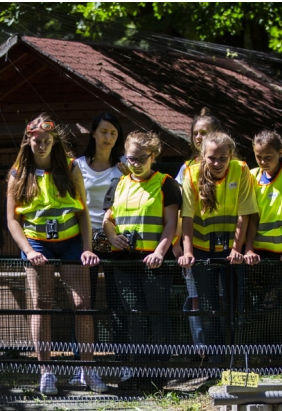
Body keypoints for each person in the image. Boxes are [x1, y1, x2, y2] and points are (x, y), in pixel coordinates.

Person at [5, 113, 103, 395]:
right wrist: (28, 250)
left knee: (82, 304)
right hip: (37, 244)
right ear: (28, 141)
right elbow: (12, 220)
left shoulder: (70, 167)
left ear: (54, 141)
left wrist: (87, 249)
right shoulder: (17, 174)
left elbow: (83, 211)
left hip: (71, 241)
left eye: (47, 141)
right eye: (37, 141)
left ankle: (87, 369)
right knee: (41, 305)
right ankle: (46, 371)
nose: (42, 145)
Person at [101, 131, 180, 368]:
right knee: (134, 314)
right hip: (124, 262)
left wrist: (159, 252)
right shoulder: (118, 184)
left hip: (155, 263)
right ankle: (137, 368)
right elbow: (107, 220)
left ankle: (158, 369)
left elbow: (171, 224)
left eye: (141, 158)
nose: (135, 164)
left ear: (153, 156)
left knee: (157, 314)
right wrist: (112, 237)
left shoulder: (166, 183)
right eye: (130, 158)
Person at [179, 131, 257, 352]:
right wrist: (188, 252)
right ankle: (214, 361)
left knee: (233, 305)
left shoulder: (241, 170)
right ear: (203, 155)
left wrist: (236, 250)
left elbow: (245, 213)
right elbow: (187, 216)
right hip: (202, 249)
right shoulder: (191, 173)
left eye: (223, 158)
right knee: (208, 306)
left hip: (232, 252)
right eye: (212, 157)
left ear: (231, 155)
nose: (217, 163)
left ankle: (233, 357)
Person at [76, 113, 127, 374]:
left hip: (115, 239)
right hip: (83, 240)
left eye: (113, 134)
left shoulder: (124, 167)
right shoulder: (77, 166)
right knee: (84, 301)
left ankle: (123, 358)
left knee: (118, 301)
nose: (108, 137)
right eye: (104, 131)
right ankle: (82, 361)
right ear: (93, 133)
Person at [246, 130, 282, 342]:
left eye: (268, 157)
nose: (262, 161)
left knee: (273, 304)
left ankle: (275, 351)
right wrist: (249, 249)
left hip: (280, 256)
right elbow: (251, 216)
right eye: (258, 156)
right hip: (257, 255)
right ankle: (255, 352)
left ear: (280, 153)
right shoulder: (252, 175)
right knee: (254, 304)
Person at [175, 108, 223, 347]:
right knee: (197, 299)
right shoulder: (186, 169)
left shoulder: (232, 167)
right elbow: (178, 209)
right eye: (196, 133)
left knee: (223, 298)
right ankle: (202, 351)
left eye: (205, 132)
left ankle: (225, 351)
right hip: (194, 248)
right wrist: (180, 245)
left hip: (225, 249)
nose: (199, 137)